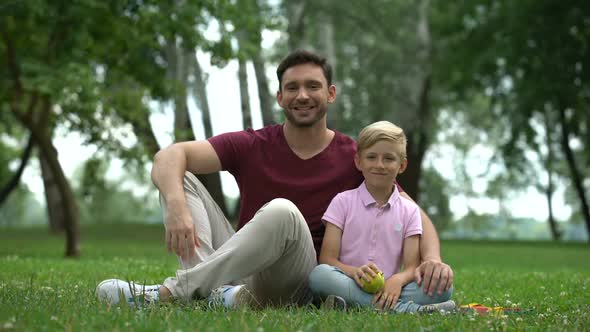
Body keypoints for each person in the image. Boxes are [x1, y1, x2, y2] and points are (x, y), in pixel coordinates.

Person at [95, 49, 453, 309]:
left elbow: (413, 214)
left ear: (330, 94)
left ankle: (175, 292)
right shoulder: (253, 144)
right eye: (292, 87)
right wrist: (175, 206)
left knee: (282, 210)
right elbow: (169, 156)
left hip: (295, 281)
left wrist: (432, 257)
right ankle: (214, 297)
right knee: (179, 178)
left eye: (313, 86)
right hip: (241, 270)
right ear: (280, 96)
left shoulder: (354, 157)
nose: (302, 96)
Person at [308, 121, 455, 313]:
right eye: (371, 157)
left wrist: (397, 280)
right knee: (320, 275)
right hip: (349, 280)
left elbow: (412, 267)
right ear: (358, 162)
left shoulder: (410, 210)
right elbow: (328, 258)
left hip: (390, 287)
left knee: (443, 287)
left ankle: (359, 304)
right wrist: (354, 272)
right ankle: (406, 310)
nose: (379, 165)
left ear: (401, 165)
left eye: (388, 158)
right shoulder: (342, 202)